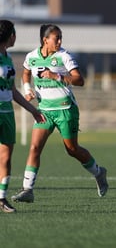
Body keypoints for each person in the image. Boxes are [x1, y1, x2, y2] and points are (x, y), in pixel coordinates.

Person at [11, 24, 108, 203]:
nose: (60, 41)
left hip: (65, 109)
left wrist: (57, 76)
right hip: (44, 111)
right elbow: (25, 73)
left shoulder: (64, 56)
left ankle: (98, 172)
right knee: (34, 148)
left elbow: (80, 80)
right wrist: (27, 89)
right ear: (45, 40)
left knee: (72, 149)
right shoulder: (31, 57)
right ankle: (28, 190)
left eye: (61, 37)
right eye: (57, 38)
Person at [0, 20, 45, 213]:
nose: (16, 36)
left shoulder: (8, 58)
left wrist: (33, 110)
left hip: (8, 113)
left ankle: (1, 199)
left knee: (5, 158)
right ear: (10, 35)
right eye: (15, 33)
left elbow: (12, 90)